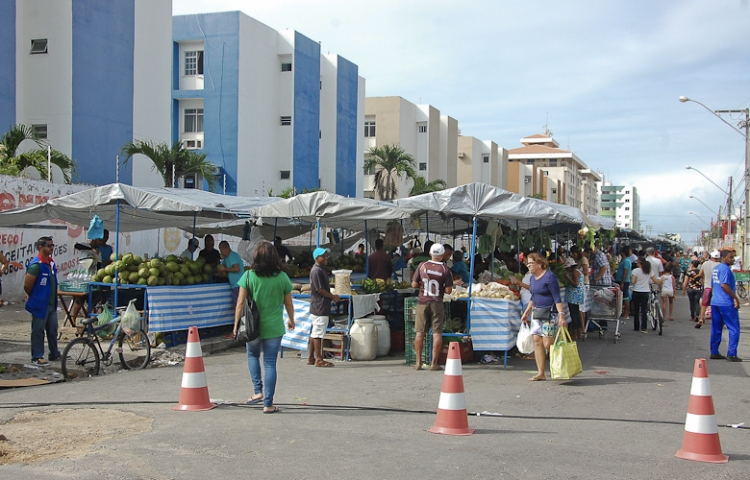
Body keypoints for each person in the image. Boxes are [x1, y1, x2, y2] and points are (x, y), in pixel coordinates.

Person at [233, 242, 295, 413]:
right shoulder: (282, 277)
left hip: (252, 328)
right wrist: (291, 320)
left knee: (252, 356)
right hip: (274, 328)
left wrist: (236, 325)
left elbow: (240, 303)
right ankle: (268, 404)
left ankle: (257, 391)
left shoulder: (248, 276)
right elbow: (289, 303)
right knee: (270, 364)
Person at [521, 252, 566, 381]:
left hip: (549, 314)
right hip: (537, 313)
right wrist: (527, 312)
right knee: (537, 341)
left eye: (531, 263)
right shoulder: (532, 278)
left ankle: (558, 365)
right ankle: (541, 373)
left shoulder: (549, 277)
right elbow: (533, 296)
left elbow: (557, 298)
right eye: (528, 263)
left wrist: (561, 315)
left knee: (547, 343)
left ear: (539, 264)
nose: (529, 266)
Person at [411, 243, 453, 371]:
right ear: (442, 255)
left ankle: (418, 362)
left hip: (422, 302)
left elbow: (414, 284)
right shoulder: (445, 269)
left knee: (420, 333)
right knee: (437, 333)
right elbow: (449, 290)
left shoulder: (422, 266)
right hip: (437, 303)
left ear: (430, 253)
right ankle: (434, 363)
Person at [24, 237, 61, 365]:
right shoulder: (36, 265)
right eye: (49, 246)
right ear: (41, 247)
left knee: (52, 330)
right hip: (40, 304)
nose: (52, 248)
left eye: (52, 245)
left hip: (51, 303)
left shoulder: (50, 263)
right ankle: (37, 356)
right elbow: (27, 286)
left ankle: (54, 353)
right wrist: (35, 296)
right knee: (38, 331)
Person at [308, 248, 340, 367]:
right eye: (323, 256)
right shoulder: (317, 271)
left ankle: (311, 358)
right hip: (320, 306)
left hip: (317, 305)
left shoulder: (319, 270)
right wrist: (333, 296)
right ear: (317, 258)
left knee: (314, 332)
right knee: (318, 334)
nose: (326, 258)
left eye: (327, 256)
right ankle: (319, 359)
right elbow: (320, 290)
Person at [709, 249, 742, 362]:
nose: (733, 259)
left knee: (716, 328)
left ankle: (714, 351)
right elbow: (724, 285)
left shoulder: (716, 268)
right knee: (734, 328)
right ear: (723, 258)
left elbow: (713, 285)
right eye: (731, 257)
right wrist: (735, 298)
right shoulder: (725, 269)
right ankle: (732, 353)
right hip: (726, 303)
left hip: (716, 301)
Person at [630, 257, 662, 333]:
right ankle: (643, 327)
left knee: (636, 310)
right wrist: (662, 279)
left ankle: (636, 326)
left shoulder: (635, 271)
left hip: (636, 291)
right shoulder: (649, 270)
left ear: (639, 263)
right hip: (645, 291)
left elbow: (633, 282)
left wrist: (633, 279)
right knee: (644, 310)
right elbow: (655, 281)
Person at [217, 241, 244, 310]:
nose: (221, 252)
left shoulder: (232, 256)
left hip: (238, 285)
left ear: (225, 248)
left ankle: (239, 317)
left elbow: (237, 269)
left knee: (237, 306)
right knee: (236, 306)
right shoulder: (227, 258)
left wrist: (225, 269)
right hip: (235, 285)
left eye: (221, 250)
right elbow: (222, 266)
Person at [563, 257, 584, 339]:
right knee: (576, 314)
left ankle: (575, 333)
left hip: (573, 296)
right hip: (577, 296)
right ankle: (578, 332)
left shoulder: (575, 272)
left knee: (574, 315)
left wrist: (567, 277)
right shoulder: (578, 271)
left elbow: (575, 284)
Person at [697, 250, 720, 324]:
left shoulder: (705, 263)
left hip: (707, 286)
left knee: (704, 303)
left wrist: (704, 278)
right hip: (716, 287)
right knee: (716, 303)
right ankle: (716, 318)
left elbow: (700, 274)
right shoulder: (720, 265)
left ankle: (701, 318)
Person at [683, 259, 703, 325]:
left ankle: (692, 316)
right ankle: (697, 315)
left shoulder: (689, 272)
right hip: (698, 288)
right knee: (697, 302)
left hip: (690, 289)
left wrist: (683, 290)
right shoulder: (700, 272)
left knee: (691, 302)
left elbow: (686, 281)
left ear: (692, 265)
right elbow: (702, 280)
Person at [615, 246, 632, 318]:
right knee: (621, 296)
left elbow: (626, 272)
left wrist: (622, 282)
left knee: (625, 296)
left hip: (624, 281)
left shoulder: (626, 261)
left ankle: (626, 313)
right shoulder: (624, 260)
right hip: (621, 281)